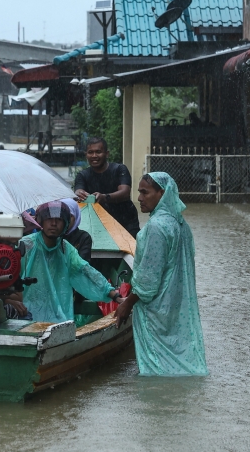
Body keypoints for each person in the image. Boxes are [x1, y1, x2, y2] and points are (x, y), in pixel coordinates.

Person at [115, 173, 208, 376]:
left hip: (156, 309)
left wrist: (127, 304)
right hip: (176, 305)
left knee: (156, 368)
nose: (139, 198)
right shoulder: (181, 225)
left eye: (144, 192)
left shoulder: (157, 227)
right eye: (139, 192)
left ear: (162, 194)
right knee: (179, 359)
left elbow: (148, 280)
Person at [11, 200, 121, 323]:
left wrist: (114, 295)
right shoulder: (26, 245)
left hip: (58, 320)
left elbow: (86, 272)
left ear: (66, 224)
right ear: (41, 221)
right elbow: (7, 278)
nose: (53, 223)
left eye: (58, 220)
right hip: (26, 317)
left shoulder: (66, 249)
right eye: (49, 218)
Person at [74, 138, 140, 236]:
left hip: (126, 221)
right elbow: (78, 190)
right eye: (90, 152)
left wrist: (104, 197)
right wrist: (80, 194)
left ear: (107, 153)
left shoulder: (119, 169)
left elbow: (125, 192)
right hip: (98, 224)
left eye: (98, 152)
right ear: (86, 155)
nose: (94, 156)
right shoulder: (82, 175)